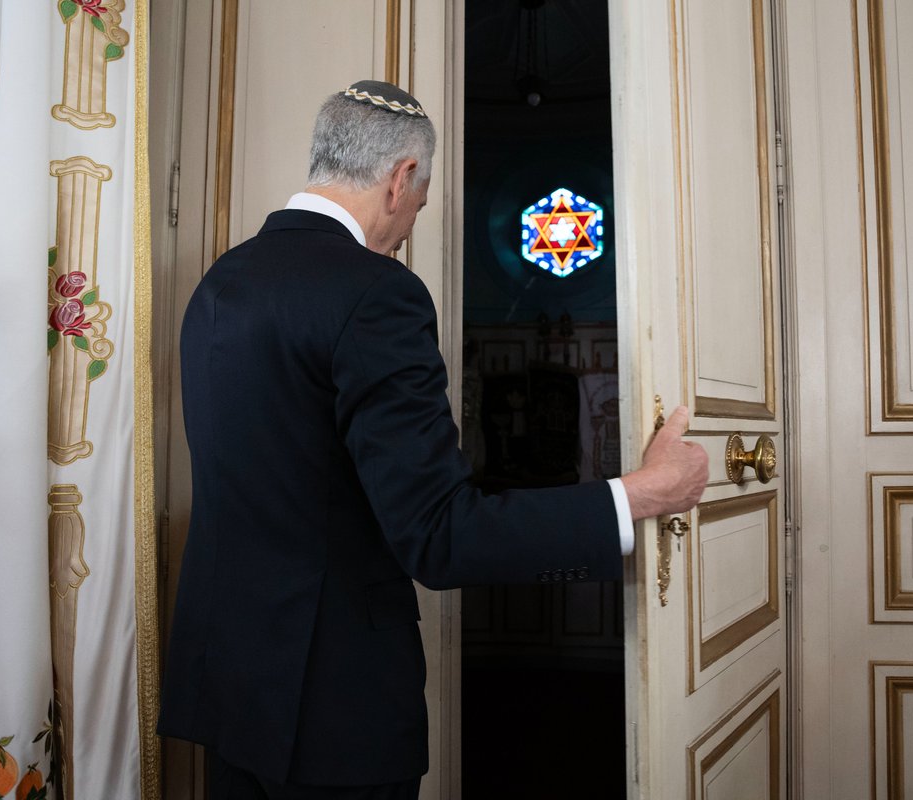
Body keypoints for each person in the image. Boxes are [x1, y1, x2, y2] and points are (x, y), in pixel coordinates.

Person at [158, 80, 709, 800]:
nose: (415, 218)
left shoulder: (219, 282)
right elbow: (440, 537)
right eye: (421, 200)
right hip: (333, 713)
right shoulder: (376, 292)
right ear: (402, 179)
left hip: (229, 692)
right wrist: (635, 498)